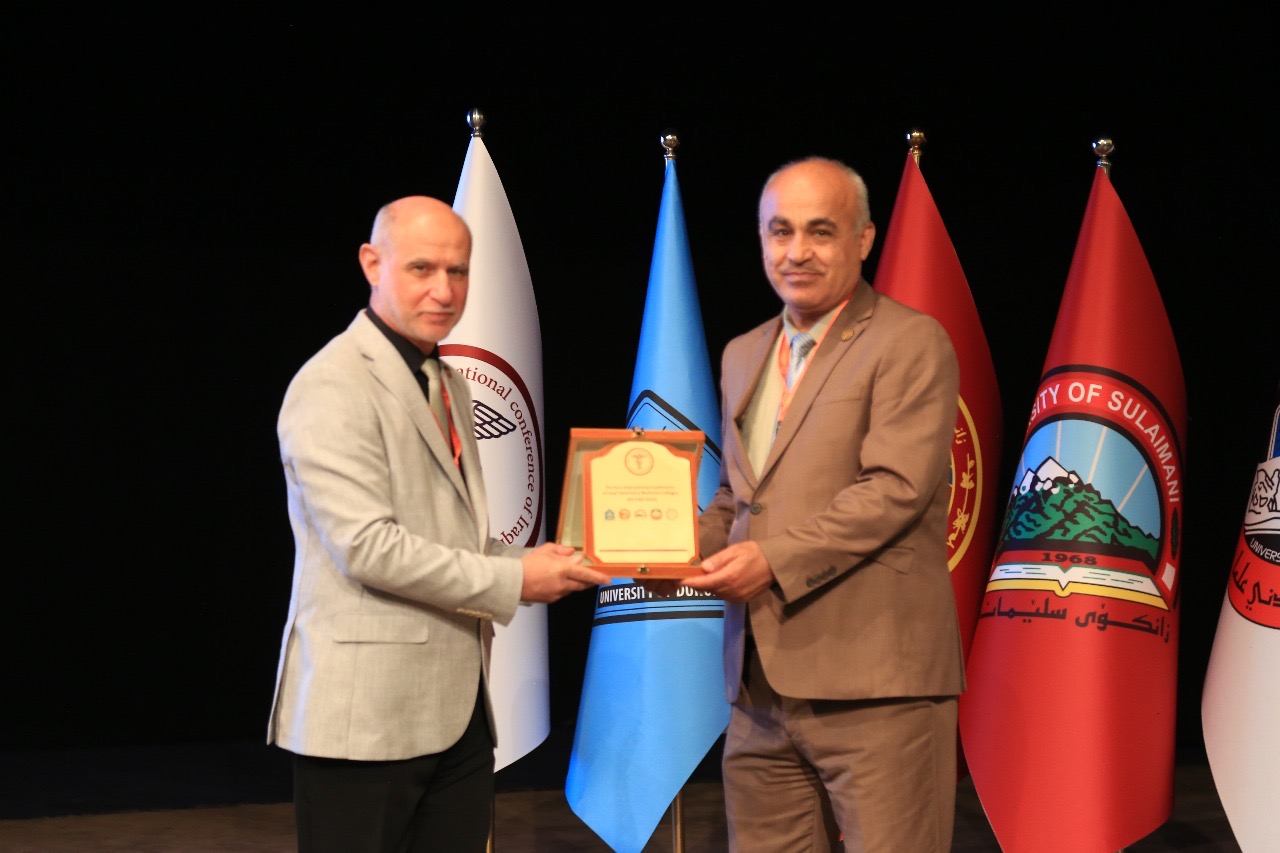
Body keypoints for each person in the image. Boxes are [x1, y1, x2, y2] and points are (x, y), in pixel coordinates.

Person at [267, 195, 610, 852]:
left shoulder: (446, 380)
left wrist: (546, 560)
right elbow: (368, 548)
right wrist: (516, 581)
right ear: (373, 264)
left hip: (456, 714)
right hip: (364, 721)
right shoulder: (333, 384)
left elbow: (453, 541)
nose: (444, 290)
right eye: (422, 268)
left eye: (458, 271)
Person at [670, 157, 965, 851]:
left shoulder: (910, 341)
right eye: (781, 231)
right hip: (759, 690)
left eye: (820, 231)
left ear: (864, 239)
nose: (796, 251)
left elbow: (893, 489)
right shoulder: (743, 352)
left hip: (876, 686)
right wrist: (666, 549)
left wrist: (770, 561)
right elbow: (737, 496)